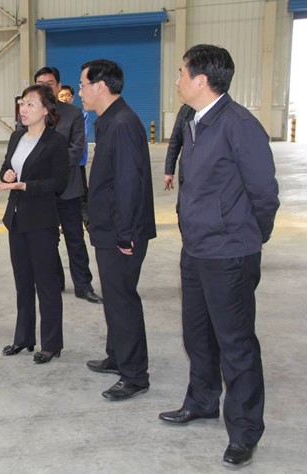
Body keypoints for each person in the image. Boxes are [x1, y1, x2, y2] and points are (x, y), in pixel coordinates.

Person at [158, 44, 280, 469]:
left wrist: (250, 236)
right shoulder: (195, 120)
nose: (177, 79)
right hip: (196, 248)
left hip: (229, 253)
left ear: (201, 80)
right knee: (197, 335)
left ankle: (244, 432)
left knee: (236, 344)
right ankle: (202, 401)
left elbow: (264, 192)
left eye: (181, 72)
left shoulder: (239, 125)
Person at [79, 59, 156, 401]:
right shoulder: (109, 121)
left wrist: (125, 234)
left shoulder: (122, 124)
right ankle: (117, 356)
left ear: (100, 86)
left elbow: (128, 184)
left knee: (122, 299)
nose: (79, 92)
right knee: (113, 296)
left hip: (121, 233)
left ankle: (135, 374)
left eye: (83, 85)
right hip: (110, 228)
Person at [0, 84, 68, 364]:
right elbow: (6, 166)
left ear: (46, 110)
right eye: (22, 103)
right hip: (16, 219)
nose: (23, 109)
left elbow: (59, 182)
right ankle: (23, 338)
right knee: (22, 283)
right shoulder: (17, 137)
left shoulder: (55, 142)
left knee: (46, 284)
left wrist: (26, 185)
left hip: (41, 221)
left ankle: (51, 343)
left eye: (30, 104)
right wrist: (7, 173)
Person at [34, 67, 103, 305]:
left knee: (75, 239)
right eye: (40, 83)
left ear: (58, 85)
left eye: (49, 83)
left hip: (68, 189)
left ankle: (83, 286)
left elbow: (76, 148)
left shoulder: (74, 114)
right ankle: (55, 281)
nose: (44, 87)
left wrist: (51, 168)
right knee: (47, 240)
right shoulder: (31, 112)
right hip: (41, 191)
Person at [58, 84, 91, 227]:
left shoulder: (81, 114)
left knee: (82, 195)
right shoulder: (54, 116)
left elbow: (81, 139)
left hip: (78, 163)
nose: (65, 98)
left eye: (68, 95)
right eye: (62, 96)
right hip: (60, 164)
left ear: (72, 98)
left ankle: (88, 223)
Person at [164, 103, 195, 216]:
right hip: (186, 172)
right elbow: (175, 141)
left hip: (207, 174)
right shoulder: (186, 111)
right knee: (183, 209)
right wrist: (169, 171)